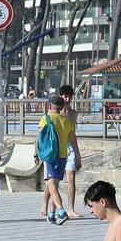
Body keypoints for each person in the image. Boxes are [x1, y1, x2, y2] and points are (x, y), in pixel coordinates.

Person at [38, 95, 81, 225]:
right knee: (55, 185)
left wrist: (36, 154)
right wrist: (78, 157)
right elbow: (73, 141)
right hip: (63, 156)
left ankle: (61, 211)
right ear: (62, 107)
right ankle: (51, 214)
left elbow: (39, 138)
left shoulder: (46, 118)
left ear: (50, 106)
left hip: (50, 156)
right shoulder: (68, 122)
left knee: (51, 186)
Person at [58, 84, 84, 218]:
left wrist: (78, 155)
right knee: (54, 179)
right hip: (58, 147)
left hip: (70, 147)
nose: (67, 99)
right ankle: (47, 205)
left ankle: (71, 208)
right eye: (65, 96)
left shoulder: (74, 114)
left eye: (69, 96)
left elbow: (73, 135)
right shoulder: (56, 113)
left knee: (71, 177)